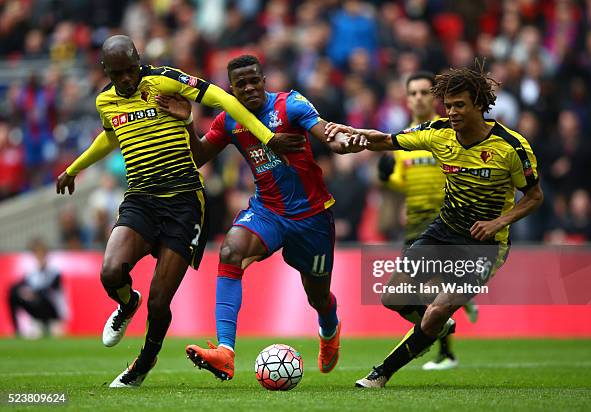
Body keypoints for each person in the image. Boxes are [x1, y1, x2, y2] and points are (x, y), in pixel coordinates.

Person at [56, 35, 304, 389]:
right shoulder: (105, 101)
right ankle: (127, 304)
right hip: (141, 197)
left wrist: (267, 136)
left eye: (131, 70)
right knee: (111, 273)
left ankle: (142, 364)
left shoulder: (165, 79)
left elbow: (220, 97)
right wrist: (74, 167)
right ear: (105, 71)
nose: (126, 80)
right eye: (118, 74)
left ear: (139, 59)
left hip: (184, 202)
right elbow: (110, 136)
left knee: (160, 302)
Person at [326, 61, 543, 388]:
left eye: (460, 105)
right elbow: (388, 140)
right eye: (449, 105)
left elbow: (534, 197)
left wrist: (499, 220)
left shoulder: (511, 147)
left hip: (484, 244)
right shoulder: (439, 133)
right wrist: (358, 136)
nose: (452, 112)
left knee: (436, 311)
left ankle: (381, 373)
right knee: (394, 298)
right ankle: (435, 329)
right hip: (444, 229)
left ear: (480, 106)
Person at [155, 54, 364, 381]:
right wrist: (186, 123)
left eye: (255, 80)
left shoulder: (290, 105)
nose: (250, 88)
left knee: (318, 296)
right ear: (232, 89)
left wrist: (341, 141)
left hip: (312, 217)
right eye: (241, 84)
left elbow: (324, 131)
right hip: (267, 211)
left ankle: (329, 328)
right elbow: (197, 157)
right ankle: (225, 351)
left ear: (264, 80)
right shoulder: (228, 121)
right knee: (230, 251)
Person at [377, 71, 478, 371]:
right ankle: (443, 335)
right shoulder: (403, 142)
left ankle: (444, 352)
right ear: (407, 99)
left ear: (433, 98)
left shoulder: (447, 133)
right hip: (415, 224)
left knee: (430, 289)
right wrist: (385, 178)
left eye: (424, 92)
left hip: (446, 221)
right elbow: (399, 184)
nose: (419, 97)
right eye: (414, 93)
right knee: (410, 293)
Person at [8, 238, 67, 337]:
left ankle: (48, 323)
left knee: (40, 295)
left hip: (53, 311)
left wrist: (31, 293)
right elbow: (20, 286)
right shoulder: (32, 272)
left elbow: (50, 290)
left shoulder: (54, 271)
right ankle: (17, 330)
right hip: (37, 309)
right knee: (13, 293)